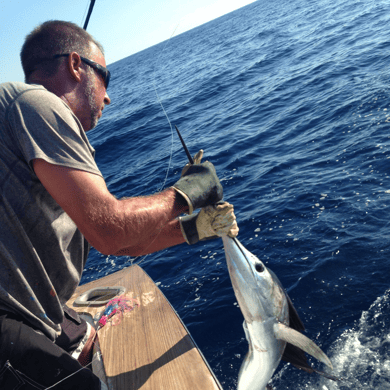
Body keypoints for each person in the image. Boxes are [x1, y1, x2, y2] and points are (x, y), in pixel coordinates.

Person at [0, 20, 238, 389]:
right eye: (106, 77)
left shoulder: (35, 133)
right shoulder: (34, 102)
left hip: (23, 307)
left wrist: (194, 228)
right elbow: (109, 231)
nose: (108, 97)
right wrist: (185, 194)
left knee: (86, 335)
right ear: (76, 66)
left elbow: (122, 242)